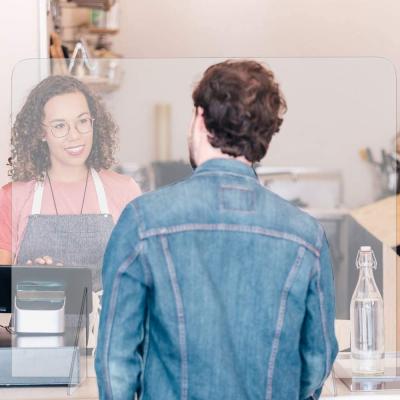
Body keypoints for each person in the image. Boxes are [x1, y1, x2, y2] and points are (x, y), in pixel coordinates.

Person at [95, 60, 338, 400]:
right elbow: (317, 358)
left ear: (199, 119)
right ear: (265, 137)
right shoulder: (305, 236)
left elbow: (115, 361)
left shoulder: (142, 221)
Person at [0, 75, 141, 291]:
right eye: (59, 126)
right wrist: (27, 280)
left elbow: (141, 279)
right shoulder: (12, 197)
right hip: (32, 324)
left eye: (82, 121)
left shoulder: (124, 191)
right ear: (41, 132)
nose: (74, 135)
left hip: (104, 324)